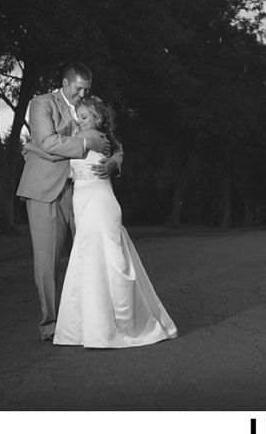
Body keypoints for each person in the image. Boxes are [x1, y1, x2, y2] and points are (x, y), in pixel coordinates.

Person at [52, 96, 177, 348]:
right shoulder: (77, 138)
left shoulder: (101, 141)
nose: (79, 120)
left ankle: (123, 323)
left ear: (98, 118)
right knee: (87, 258)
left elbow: (117, 152)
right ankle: (86, 328)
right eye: (78, 116)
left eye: (84, 116)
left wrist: (114, 162)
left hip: (102, 201)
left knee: (113, 259)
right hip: (82, 201)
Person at [16, 63, 120, 341]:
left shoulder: (89, 108)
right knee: (47, 261)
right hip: (45, 191)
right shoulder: (41, 103)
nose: (83, 93)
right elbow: (48, 142)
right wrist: (86, 145)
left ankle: (88, 319)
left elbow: (114, 145)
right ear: (65, 82)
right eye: (78, 88)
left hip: (85, 193)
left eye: (87, 88)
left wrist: (111, 163)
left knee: (89, 256)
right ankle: (50, 325)